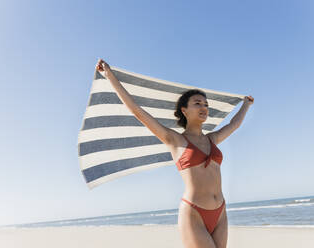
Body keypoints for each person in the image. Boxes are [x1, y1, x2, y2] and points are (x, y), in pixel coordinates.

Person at [96, 58, 254, 248]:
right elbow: (138, 112)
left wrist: (246, 104)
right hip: (194, 213)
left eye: (206, 104)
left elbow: (234, 125)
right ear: (184, 110)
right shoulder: (175, 140)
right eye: (197, 103)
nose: (204, 107)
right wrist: (110, 76)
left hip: (220, 211)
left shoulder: (212, 139)